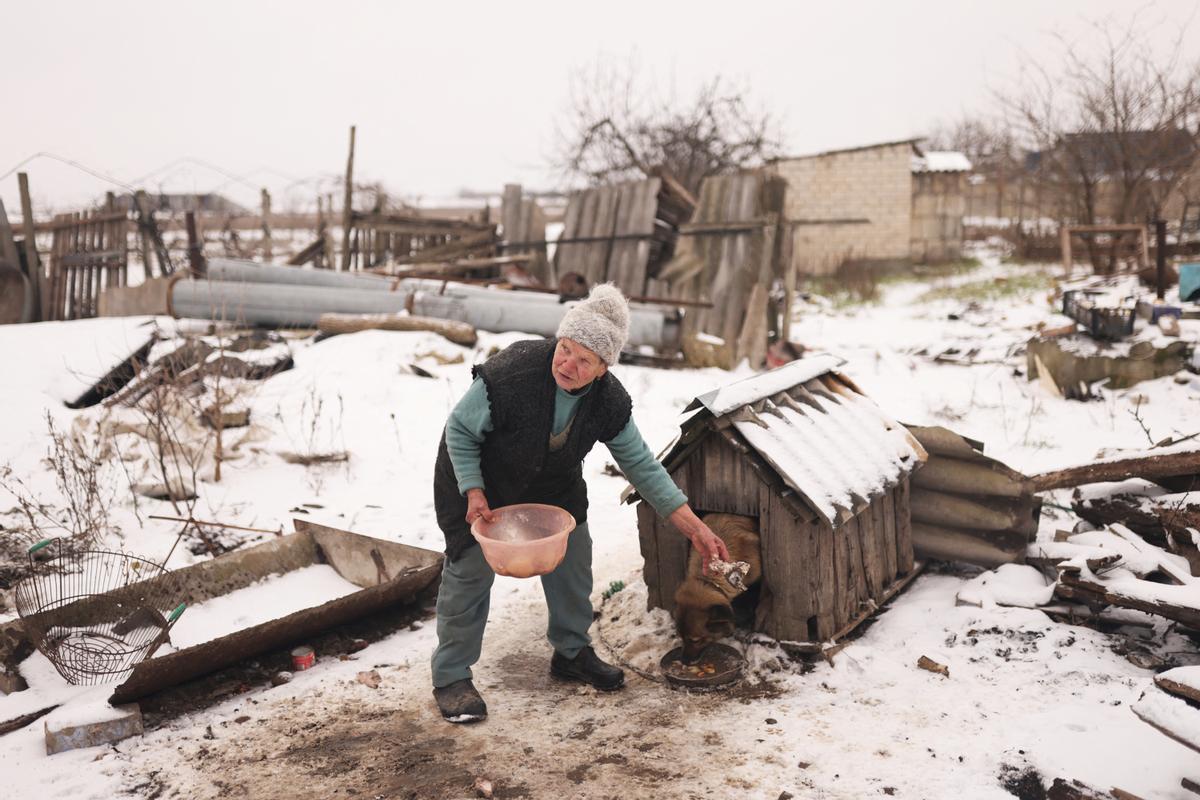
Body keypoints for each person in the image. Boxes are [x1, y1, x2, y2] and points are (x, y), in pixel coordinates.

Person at [430, 283, 729, 723]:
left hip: (553, 484)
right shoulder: (513, 372)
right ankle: (452, 676)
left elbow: (642, 466)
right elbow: (459, 430)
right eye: (565, 349)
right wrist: (473, 490)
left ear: (603, 368)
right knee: (470, 570)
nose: (567, 363)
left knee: (574, 559)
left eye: (584, 359)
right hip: (478, 479)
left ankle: (571, 653)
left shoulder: (608, 402)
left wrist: (695, 528)